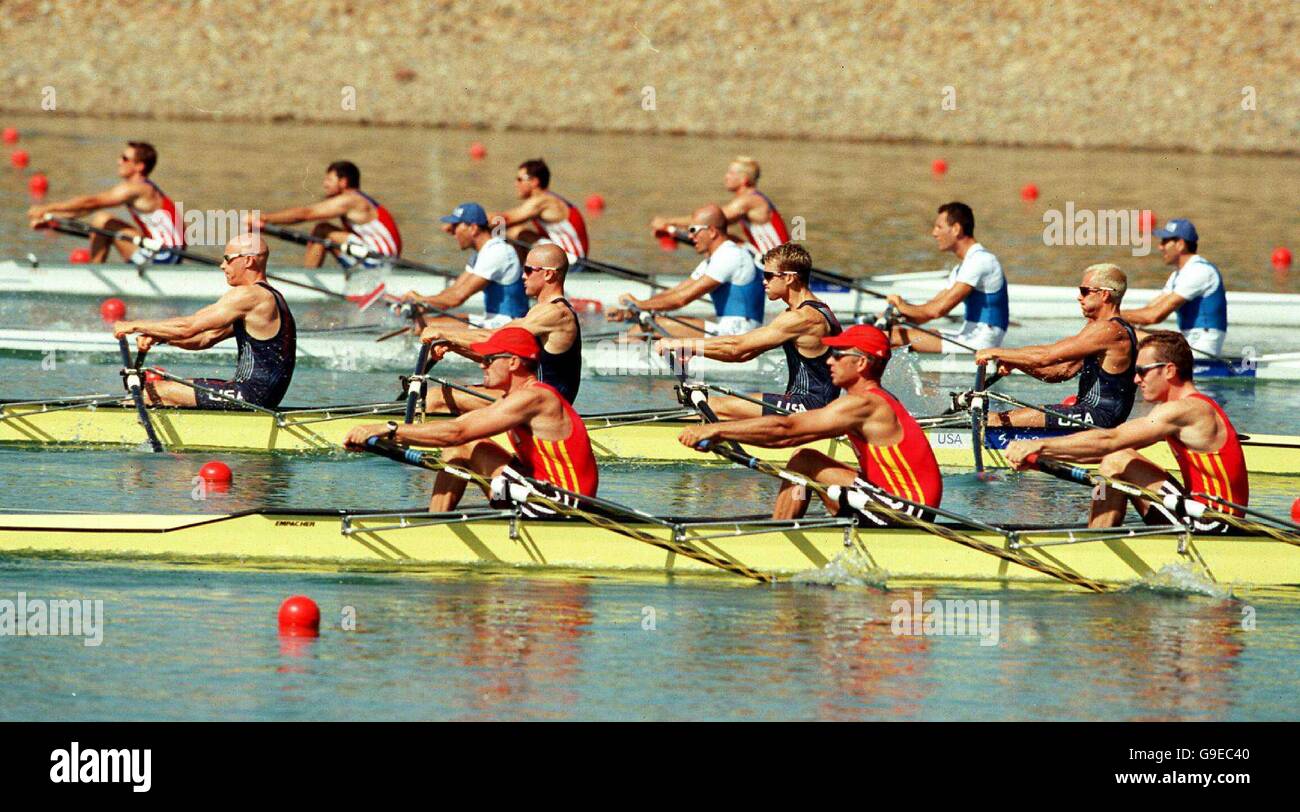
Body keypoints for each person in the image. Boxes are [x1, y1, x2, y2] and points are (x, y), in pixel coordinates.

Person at [677, 325, 942, 525]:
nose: (829, 361)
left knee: (804, 462)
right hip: (891, 499)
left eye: (838, 355)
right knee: (806, 462)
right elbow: (788, 435)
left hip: (905, 511)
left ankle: (776, 539)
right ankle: (786, 526)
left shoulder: (864, 405)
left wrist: (717, 429)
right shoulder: (868, 400)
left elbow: (786, 432)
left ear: (861, 363)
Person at [1005, 331, 1247, 533]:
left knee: (1116, 458)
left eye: (1142, 370)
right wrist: (1043, 460)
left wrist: (1038, 444)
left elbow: (1110, 440)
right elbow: (1100, 451)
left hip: (1216, 523)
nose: (1135, 379)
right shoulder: (1180, 409)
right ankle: (1096, 533)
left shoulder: (1187, 410)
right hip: (1195, 512)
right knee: (1117, 460)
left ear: (1170, 370)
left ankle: (1093, 544)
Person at [344, 326, 598, 511]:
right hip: (540, 491)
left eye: (488, 359)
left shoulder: (534, 399)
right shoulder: (516, 397)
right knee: (461, 446)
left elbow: (457, 431)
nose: (481, 365)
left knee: (460, 441)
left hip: (562, 506)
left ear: (512, 363)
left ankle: (432, 530)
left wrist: (387, 429)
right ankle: (435, 523)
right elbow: (457, 430)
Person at [653, 242, 841, 418]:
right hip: (805, 403)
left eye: (768, 275)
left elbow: (737, 346)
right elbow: (743, 355)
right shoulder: (807, 310)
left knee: (715, 405)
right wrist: (697, 351)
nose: (763, 282)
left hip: (811, 407)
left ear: (790, 278)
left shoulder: (803, 318)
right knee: (715, 404)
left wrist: (681, 343)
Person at [111, 233, 296, 409]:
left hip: (250, 396)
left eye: (227, 258)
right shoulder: (269, 298)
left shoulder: (251, 295)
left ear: (248, 260)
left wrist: (133, 325)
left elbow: (188, 327)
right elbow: (205, 338)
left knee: (153, 391)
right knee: (172, 387)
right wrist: (160, 337)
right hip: (259, 395)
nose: (222, 266)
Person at [418, 244, 583, 412]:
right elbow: (497, 355)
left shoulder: (556, 313)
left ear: (548, 274)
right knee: (434, 396)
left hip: (544, 406)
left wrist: (441, 331)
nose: (522, 276)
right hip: (530, 397)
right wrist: (454, 346)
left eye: (527, 270)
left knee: (435, 398)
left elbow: (495, 338)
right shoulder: (538, 312)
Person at [975, 263, 1137, 429]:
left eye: (1084, 291)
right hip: (1090, 413)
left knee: (993, 420)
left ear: (1104, 294)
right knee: (999, 417)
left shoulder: (1108, 330)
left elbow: (1045, 356)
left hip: (1100, 417)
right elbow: (1060, 371)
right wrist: (1017, 363)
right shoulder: (1099, 329)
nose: (1079, 297)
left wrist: (996, 352)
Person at [607, 205, 764, 338]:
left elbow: (681, 300)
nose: (690, 236)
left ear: (712, 232)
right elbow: (675, 292)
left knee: (647, 328)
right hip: (728, 331)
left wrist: (641, 304)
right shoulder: (712, 260)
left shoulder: (730, 256)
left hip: (739, 336)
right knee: (649, 326)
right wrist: (630, 312)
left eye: (694, 230)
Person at [27, 141, 185, 264]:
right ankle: (96, 270)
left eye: (124, 158)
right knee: (104, 223)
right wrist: (51, 217)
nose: (118, 161)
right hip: (166, 253)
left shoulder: (137, 189)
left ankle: (94, 274)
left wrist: (46, 208)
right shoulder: (148, 188)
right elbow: (86, 209)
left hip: (163, 257)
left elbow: (91, 203)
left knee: (103, 220)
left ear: (139, 166)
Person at [885, 202, 1008, 353]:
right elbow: (929, 310)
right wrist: (897, 316)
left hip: (980, 344)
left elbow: (938, 310)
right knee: (893, 331)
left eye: (939, 227)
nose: (934, 233)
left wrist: (902, 305)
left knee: (894, 337)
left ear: (956, 229)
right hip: (967, 337)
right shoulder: (961, 268)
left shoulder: (981, 261)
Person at [249, 160, 402, 268]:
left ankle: (308, 277)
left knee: (322, 230)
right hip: (378, 257)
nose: (324, 184)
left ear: (343, 182)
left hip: (380, 260)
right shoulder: (357, 199)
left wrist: (265, 218)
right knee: (323, 237)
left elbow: (306, 214)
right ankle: (335, 274)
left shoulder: (351, 200)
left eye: (329, 179)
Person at [403, 203, 528, 329]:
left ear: (473, 228)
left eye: (456, 226)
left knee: (424, 326)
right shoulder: (480, 252)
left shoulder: (497, 251)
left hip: (510, 325)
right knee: (420, 322)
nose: (453, 233)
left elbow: (457, 298)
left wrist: (420, 301)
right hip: (493, 319)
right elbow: (453, 291)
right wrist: (421, 305)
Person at [1121, 219, 1227, 357]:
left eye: (1165, 241)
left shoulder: (1200, 271)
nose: (1160, 247)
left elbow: (1154, 316)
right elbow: (1151, 309)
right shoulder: (1178, 274)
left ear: (1180, 244)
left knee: (1123, 334)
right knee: (1124, 332)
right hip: (1189, 340)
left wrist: (1113, 316)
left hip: (1202, 347)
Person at [650, 156, 789, 256]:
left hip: (775, 265)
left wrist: (668, 222)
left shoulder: (749, 200)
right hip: (768, 258)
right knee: (720, 236)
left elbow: (710, 220)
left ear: (744, 179)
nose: (726, 177)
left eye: (731, 173)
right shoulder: (750, 198)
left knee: (716, 237)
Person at [488, 158, 589, 263]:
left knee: (518, 233)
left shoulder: (544, 201)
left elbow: (505, 219)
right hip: (566, 257)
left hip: (572, 262)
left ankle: (520, 273)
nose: (516, 184)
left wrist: (477, 220)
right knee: (511, 230)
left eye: (519, 179)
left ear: (534, 182)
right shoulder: (548, 198)